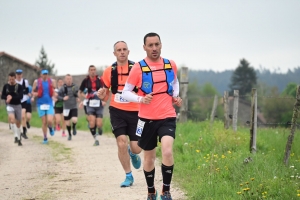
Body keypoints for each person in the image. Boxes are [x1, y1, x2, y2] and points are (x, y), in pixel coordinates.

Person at [122, 32, 182, 200]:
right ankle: (150, 191)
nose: (154, 48)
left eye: (157, 44)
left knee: (168, 152)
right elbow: (126, 92)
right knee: (149, 157)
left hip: (167, 116)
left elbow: (174, 82)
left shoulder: (171, 64)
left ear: (161, 44)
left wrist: (175, 96)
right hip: (146, 118)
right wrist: (141, 98)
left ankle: (166, 191)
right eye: (150, 45)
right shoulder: (138, 68)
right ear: (144, 47)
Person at [97, 41, 142, 187]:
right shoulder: (109, 71)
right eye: (119, 50)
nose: (122, 52)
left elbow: (143, 90)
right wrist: (101, 94)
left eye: (124, 49)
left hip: (136, 111)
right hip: (117, 111)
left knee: (137, 147)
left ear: (128, 52)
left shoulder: (137, 69)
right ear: (114, 53)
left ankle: (133, 153)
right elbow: (105, 96)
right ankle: (128, 176)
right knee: (121, 142)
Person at [79, 65, 104, 146]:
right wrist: (85, 96)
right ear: (89, 71)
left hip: (99, 104)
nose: (93, 71)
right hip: (90, 104)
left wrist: (104, 100)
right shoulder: (85, 81)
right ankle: (96, 139)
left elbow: (106, 90)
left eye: (94, 70)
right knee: (92, 122)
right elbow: (80, 92)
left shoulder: (100, 80)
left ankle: (100, 128)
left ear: (95, 71)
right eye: (91, 70)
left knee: (99, 123)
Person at [31, 70, 56, 144]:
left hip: (49, 103)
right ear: (41, 75)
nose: (45, 75)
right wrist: (34, 95)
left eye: (46, 74)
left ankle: (50, 127)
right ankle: (45, 137)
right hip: (40, 104)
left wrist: (54, 95)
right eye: (44, 74)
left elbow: (54, 89)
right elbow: (33, 91)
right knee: (44, 122)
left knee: (50, 121)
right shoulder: (36, 82)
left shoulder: (52, 81)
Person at [1, 72, 24, 146]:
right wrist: (7, 98)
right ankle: (16, 136)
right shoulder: (6, 86)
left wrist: (12, 97)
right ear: (9, 78)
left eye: (13, 79)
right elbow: (2, 96)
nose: (11, 81)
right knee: (12, 119)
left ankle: (19, 136)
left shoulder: (19, 86)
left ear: (15, 78)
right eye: (10, 79)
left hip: (18, 105)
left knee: (18, 123)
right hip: (10, 105)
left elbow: (21, 96)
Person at [57, 74, 79, 141]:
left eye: (70, 79)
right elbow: (58, 96)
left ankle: (74, 127)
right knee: (67, 122)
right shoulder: (62, 88)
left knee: (74, 119)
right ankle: (69, 134)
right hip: (66, 108)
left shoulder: (75, 86)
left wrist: (78, 98)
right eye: (67, 79)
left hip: (74, 106)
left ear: (71, 79)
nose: (69, 80)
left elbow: (78, 93)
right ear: (65, 80)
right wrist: (63, 98)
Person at [15, 69, 30, 139]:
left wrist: (28, 94)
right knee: (17, 118)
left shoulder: (25, 81)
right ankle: (17, 130)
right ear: (16, 75)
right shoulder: (14, 82)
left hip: (23, 100)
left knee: (23, 116)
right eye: (17, 74)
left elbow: (27, 90)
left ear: (22, 75)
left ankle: (24, 131)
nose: (19, 75)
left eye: (20, 74)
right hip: (16, 101)